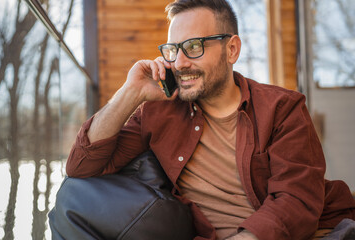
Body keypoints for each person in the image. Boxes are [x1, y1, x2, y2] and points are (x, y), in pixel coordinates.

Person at [64, 0, 355, 239]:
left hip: (318, 231)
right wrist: (130, 93)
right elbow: (80, 166)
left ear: (232, 49)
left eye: (193, 47)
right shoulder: (158, 111)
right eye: (172, 50)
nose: (179, 63)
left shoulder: (282, 108)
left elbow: (296, 201)